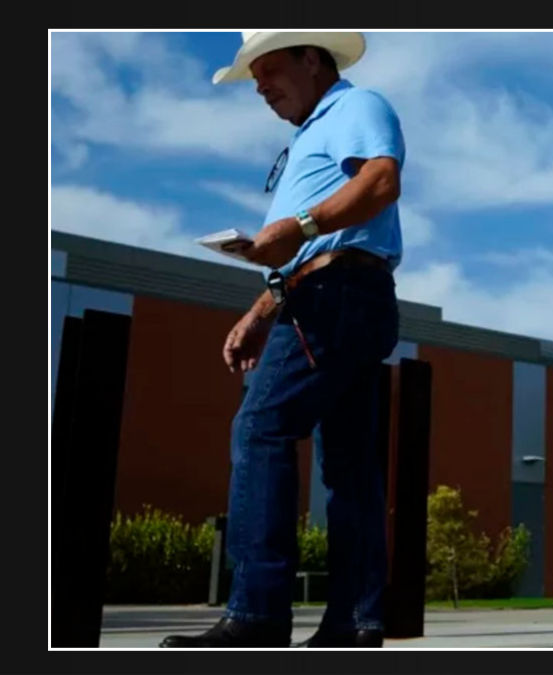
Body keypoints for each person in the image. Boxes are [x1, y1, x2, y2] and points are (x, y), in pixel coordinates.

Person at [161, 31, 404, 648]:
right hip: (332, 293)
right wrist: (261, 309)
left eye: (269, 70)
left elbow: (380, 182)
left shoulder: (356, 106)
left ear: (312, 58)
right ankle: (354, 622)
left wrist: (296, 226)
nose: (262, 88)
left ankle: (259, 614)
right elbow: (308, 249)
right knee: (349, 469)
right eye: (255, 79)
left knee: (261, 428)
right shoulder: (306, 140)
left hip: (339, 297)